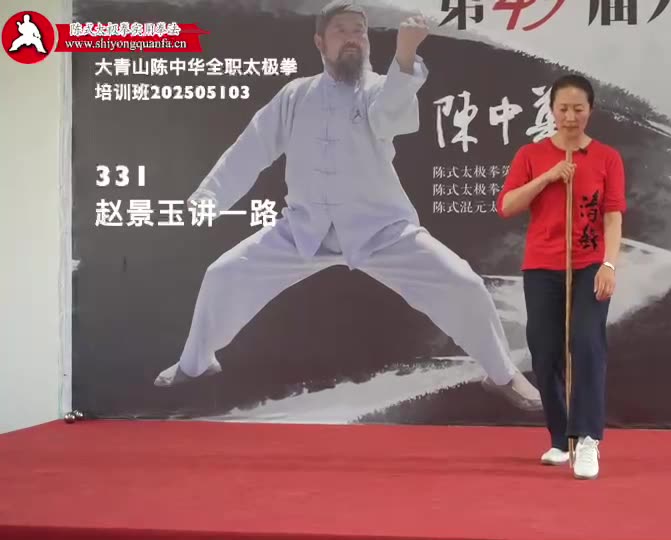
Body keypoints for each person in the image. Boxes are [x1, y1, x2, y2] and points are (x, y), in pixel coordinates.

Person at [153, 0, 542, 413]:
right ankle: (196, 363)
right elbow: (252, 147)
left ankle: (502, 374)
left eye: (359, 30)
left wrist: (405, 54)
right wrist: (210, 199)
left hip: (381, 229)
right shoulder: (296, 95)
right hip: (303, 229)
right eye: (341, 30)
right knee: (224, 275)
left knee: (463, 283)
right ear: (320, 42)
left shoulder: (377, 89)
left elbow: (392, 117)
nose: (353, 38)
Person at [496, 75, 625, 479]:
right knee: (545, 351)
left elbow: (613, 217)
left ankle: (587, 440)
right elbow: (507, 205)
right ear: (551, 110)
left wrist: (609, 265)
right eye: (563, 109)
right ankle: (559, 437)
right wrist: (548, 177)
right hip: (541, 266)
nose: (570, 116)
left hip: (589, 266)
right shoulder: (531, 154)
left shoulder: (607, 158)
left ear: (590, 111)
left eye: (578, 109)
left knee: (587, 344)